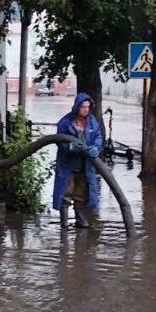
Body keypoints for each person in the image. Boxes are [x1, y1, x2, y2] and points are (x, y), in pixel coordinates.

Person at [52, 93, 103, 227]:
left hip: (85, 165)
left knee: (81, 193)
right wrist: (70, 146)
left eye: (88, 107)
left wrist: (96, 147)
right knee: (66, 192)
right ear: (76, 107)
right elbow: (59, 140)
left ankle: (80, 220)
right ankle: (64, 223)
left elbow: (98, 137)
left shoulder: (92, 121)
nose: (86, 109)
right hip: (68, 164)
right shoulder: (65, 122)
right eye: (83, 107)